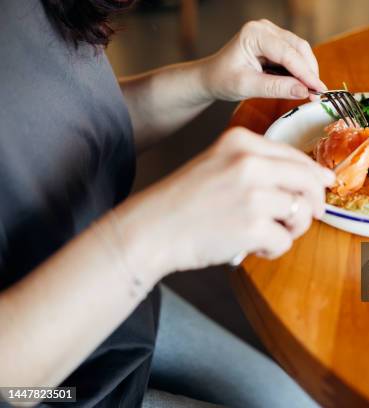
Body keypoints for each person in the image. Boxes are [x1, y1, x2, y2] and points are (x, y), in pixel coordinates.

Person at [0, 1, 332, 407]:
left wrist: (206, 79)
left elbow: (49, 126)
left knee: (293, 400)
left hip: (117, 309)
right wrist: (155, 232)